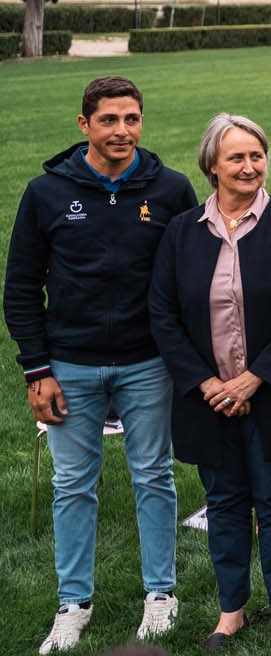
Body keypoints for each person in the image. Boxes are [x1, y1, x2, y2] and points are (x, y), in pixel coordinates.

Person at [4, 76, 197, 654]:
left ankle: (160, 596)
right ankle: (73, 604)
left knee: (154, 477)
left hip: (147, 364)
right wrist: (37, 370)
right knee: (72, 486)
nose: (122, 130)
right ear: (83, 124)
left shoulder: (170, 190)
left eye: (132, 119)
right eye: (109, 119)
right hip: (69, 366)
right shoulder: (45, 193)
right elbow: (19, 287)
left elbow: (190, 279)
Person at [146, 114, 271, 647]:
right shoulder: (183, 232)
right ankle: (231, 610)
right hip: (209, 399)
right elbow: (162, 313)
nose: (250, 166)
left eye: (257, 155)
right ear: (212, 166)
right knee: (225, 501)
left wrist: (254, 379)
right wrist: (206, 384)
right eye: (237, 157)